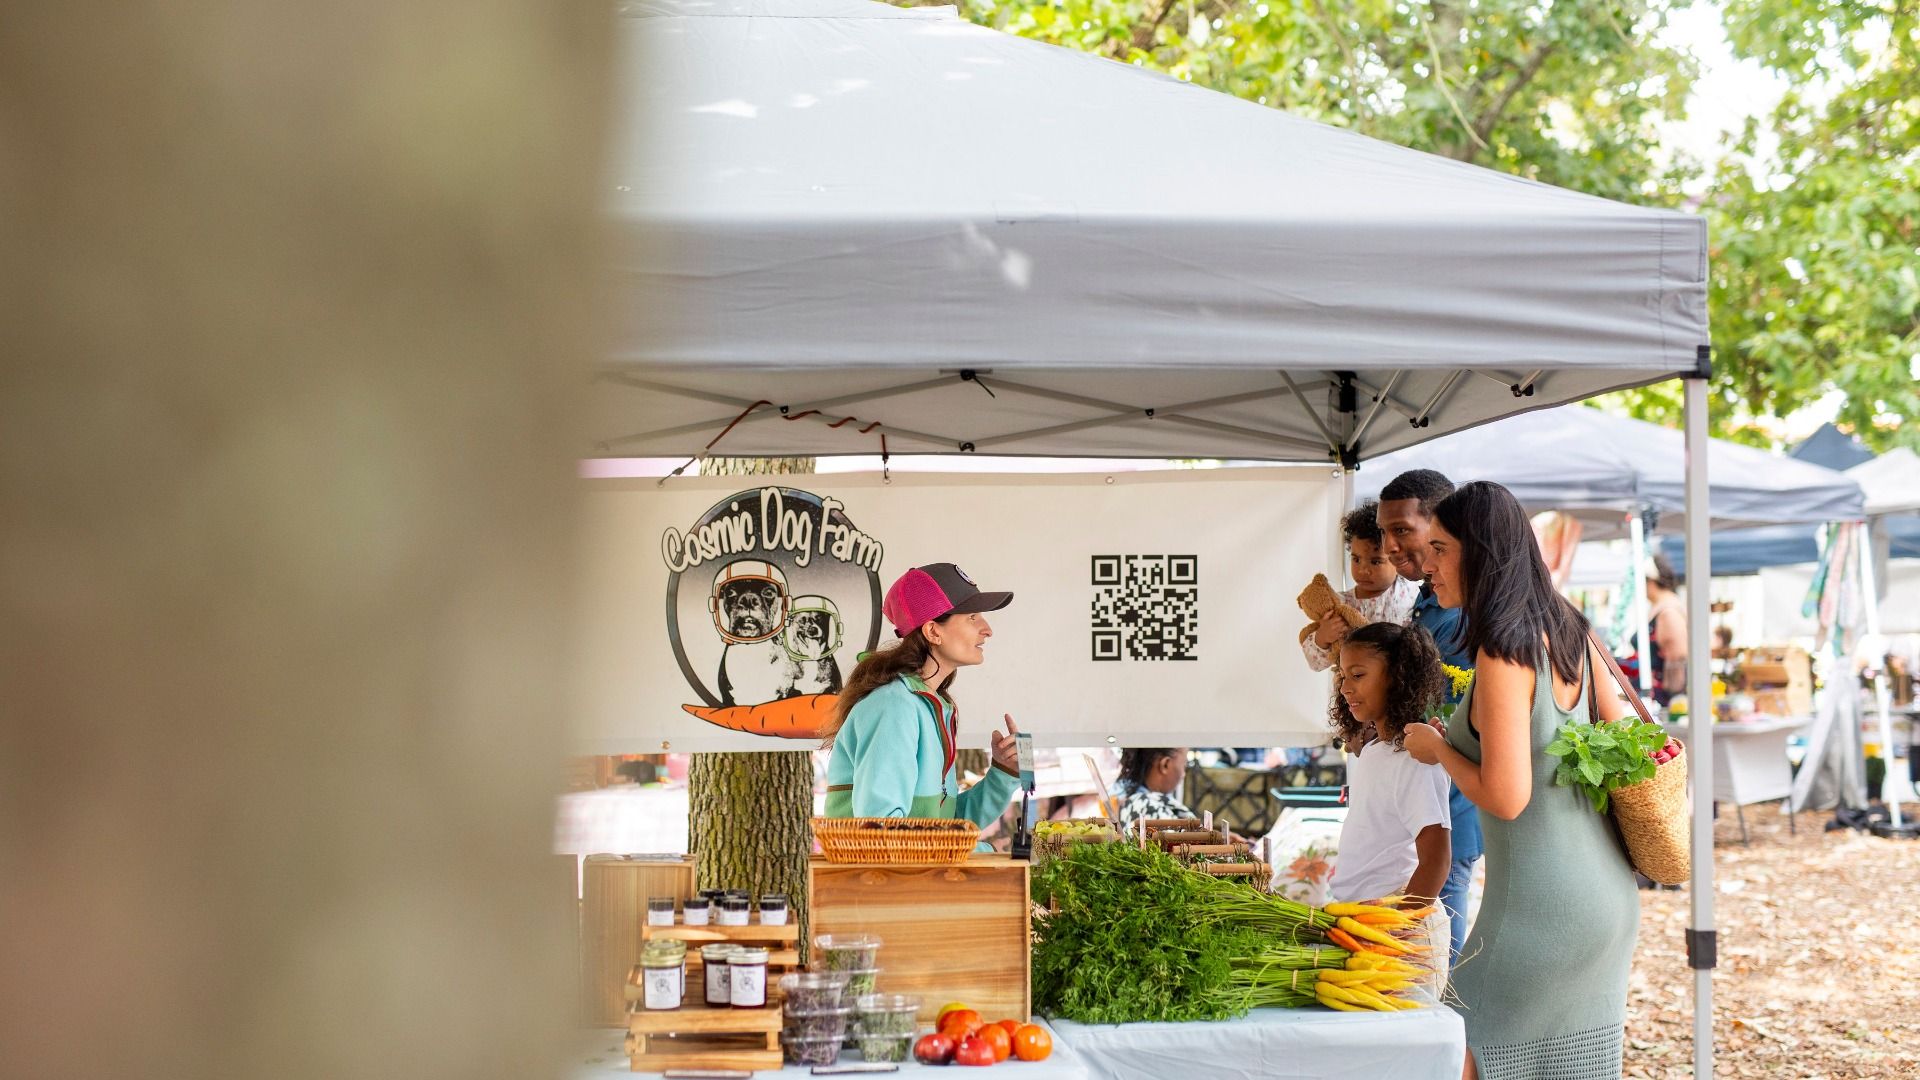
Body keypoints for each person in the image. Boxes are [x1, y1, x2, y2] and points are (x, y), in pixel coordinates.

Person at [1403, 481, 1639, 1080]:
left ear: (1478, 552)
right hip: (1605, 899)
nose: (1427, 566)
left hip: (1542, 911)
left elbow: (1508, 798)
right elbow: (1636, 738)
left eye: (1440, 548)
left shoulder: (1503, 652)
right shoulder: (1570, 630)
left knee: (1456, 1049)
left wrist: (1438, 749)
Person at [1376, 469, 1484, 965]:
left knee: (1437, 959)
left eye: (1402, 530)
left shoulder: (1461, 614)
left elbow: (1441, 716)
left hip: (1449, 813)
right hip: (1424, 809)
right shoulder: (1428, 602)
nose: (1389, 546)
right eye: (1383, 533)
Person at [821, 563, 1022, 826]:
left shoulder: (929, 704)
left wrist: (1003, 773)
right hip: (881, 868)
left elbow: (944, 826)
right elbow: (880, 829)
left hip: (909, 866)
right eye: (972, 617)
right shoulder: (894, 707)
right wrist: (978, 851)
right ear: (933, 631)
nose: (987, 629)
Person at [1326, 623, 1452, 906]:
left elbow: (1437, 861)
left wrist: (1400, 928)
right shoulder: (1373, 750)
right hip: (1358, 914)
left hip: (1391, 918)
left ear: (1398, 678)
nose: (1345, 688)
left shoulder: (1417, 760)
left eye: (1358, 675)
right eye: (1343, 676)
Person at [1302, 502, 1420, 671]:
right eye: (1356, 559)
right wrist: (1323, 636)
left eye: (1375, 561)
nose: (1363, 570)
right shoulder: (1340, 604)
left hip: (1397, 687)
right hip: (1353, 690)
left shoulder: (1412, 595)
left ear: (1396, 558)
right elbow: (1315, 664)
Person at [1111, 748, 1194, 832]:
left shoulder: (1132, 803)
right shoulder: (1149, 809)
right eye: (1184, 766)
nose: (1183, 774)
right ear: (1165, 764)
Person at [1645, 554, 1688, 706]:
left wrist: (1672, 699)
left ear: (1650, 581)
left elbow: (1677, 657)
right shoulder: (1662, 606)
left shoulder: (1668, 610)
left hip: (1665, 698)